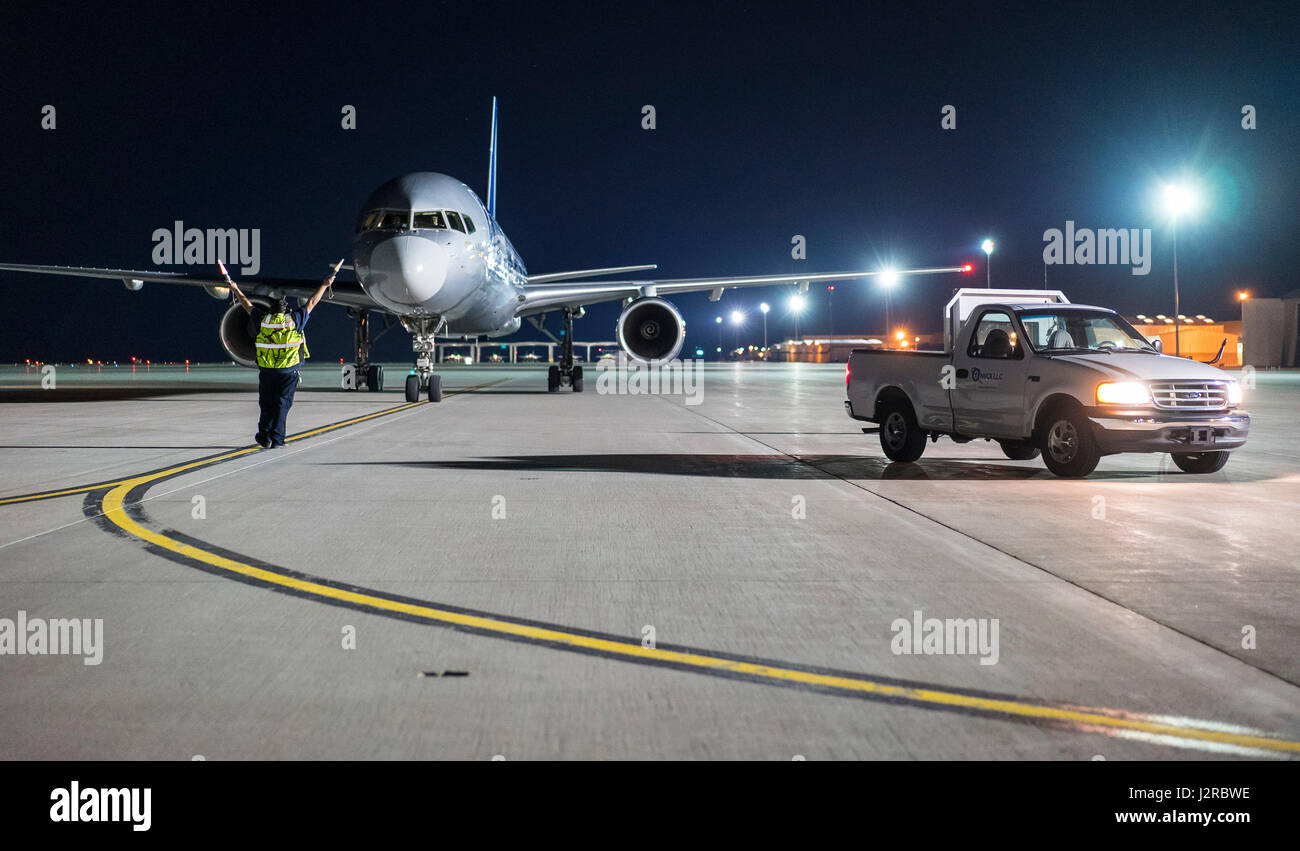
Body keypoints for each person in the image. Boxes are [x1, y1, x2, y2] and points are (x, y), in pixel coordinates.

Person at [219, 260, 342, 448]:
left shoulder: (263, 321)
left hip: (267, 371)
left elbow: (245, 303)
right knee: (282, 405)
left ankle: (263, 436)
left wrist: (235, 288)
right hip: (287, 372)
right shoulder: (294, 320)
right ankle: (277, 439)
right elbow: (312, 302)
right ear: (286, 311)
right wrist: (324, 285)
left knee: (266, 404)